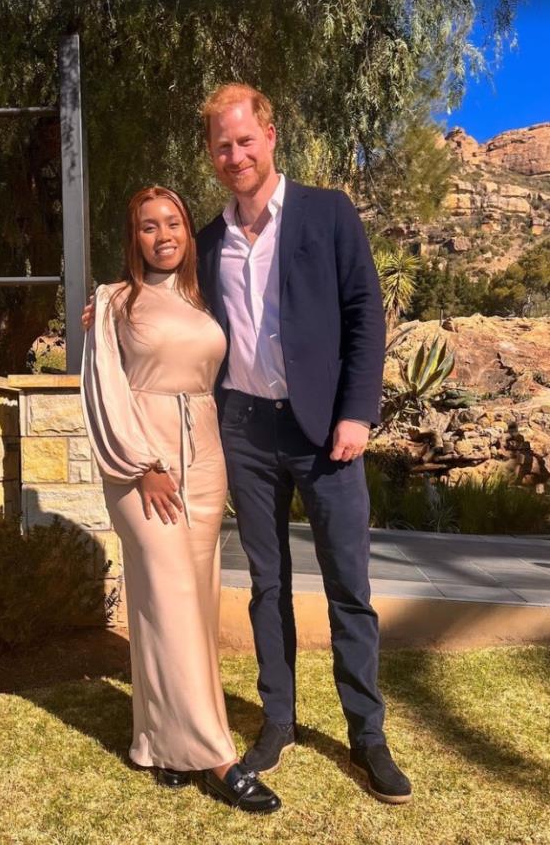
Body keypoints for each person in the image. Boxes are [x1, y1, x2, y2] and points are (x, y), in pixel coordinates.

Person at [83, 83, 412, 805]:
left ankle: (368, 736)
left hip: (329, 434)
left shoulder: (328, 212)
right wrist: (103, 309)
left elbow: (365, 313)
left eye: (244, 140)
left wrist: (357, 413)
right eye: (221, 146)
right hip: (245, 438)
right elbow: (159, 299)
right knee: (268, 586)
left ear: (269, 135)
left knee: (348, 588)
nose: (235, 155)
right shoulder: (204, 240)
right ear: (212, 155)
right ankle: (279, 723)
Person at [80, 184, 281, 814]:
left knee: (186, 605)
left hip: (206, 461)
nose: (163, 234)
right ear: (131, 237)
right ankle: (217, 756)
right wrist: (144, 466)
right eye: (148, 226)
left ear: (188, 233)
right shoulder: (112, 303)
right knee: (166, 597)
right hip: (146, 467)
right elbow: (104, 389)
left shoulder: (202, 299)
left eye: (173, 223)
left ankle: (161, 742)